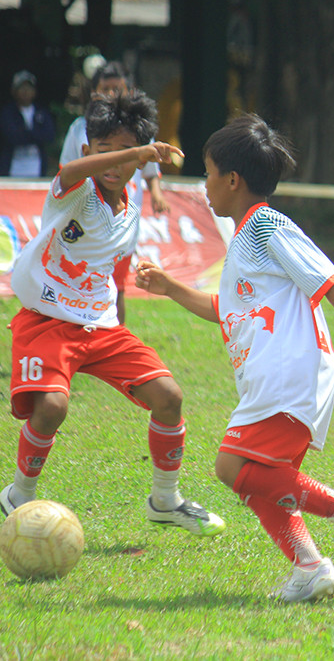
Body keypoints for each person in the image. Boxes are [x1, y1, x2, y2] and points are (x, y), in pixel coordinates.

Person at [134, 114, 334, 603]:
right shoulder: (244, 236)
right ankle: (310, 568)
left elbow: (326, 277)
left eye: (208, 174)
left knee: (232, 466)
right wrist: (170, 287)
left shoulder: (265, 225)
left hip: (289, 371)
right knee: (261, 478)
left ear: (232, 179)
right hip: (271, 376)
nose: (204, 186)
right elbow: (225, 310)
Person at [0, 91, 226, 540]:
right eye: (106, 151)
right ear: (88, 152)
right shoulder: (74, 192)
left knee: (169, 397)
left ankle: (165, 501)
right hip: (47, 320)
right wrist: (139, 152)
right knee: (52, 408)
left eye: (126, 155)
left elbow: (114, 267)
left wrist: (122, 311)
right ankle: (18, 496)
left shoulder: (129, 210)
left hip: (100, 325)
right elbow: (65, 172)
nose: (115, 163)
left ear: (138, 166)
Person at [60, 61, 171, 214]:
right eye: (105, 89)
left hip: (128, 211)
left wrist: (157, 195)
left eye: (117, 90)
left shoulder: (137, 129)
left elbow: (151, 172)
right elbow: (66, 171)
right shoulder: (79, 128)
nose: (111, 95)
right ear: (94, 93)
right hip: (87, 213)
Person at [0, 70, 56, 177]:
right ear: (14, 91)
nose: (25, 91)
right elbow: (12, 137)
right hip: (13, 167)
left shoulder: (41, 112)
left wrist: (27, 133)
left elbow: (49, 135)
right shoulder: (8, 113)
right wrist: (35, 134)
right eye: (21, 87)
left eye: (29, 87)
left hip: (37, 165)